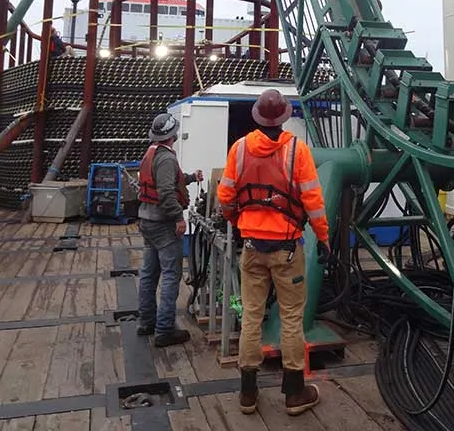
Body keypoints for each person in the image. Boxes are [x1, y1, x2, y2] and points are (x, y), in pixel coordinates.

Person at [217, 89, 330, 416]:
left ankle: (248, 394)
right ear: (283, 117)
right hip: (287, 250)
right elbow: (314, 202)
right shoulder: (298, 151)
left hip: (251, 247)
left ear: (257, 116)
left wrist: (238, 220)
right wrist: (324, 238)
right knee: (292, 319)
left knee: (251, 315)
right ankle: (295, 393)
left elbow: (225, 195)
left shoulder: (239, 149)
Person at [137, 112, 203, 347]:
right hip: (163, 224)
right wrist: (178, 218)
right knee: (170, 275)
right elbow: (165, 192)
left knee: (149, 273)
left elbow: (166, 183)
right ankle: (164, 329)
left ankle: (147, 322)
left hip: (147, 221)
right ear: (173, 135)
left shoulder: (152, 153)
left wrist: (191, 178)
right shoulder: (166, 159)